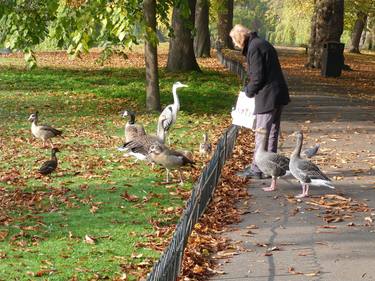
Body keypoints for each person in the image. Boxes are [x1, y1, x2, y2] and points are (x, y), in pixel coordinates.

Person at [229, 24, 290, 179]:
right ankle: (270, 168)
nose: (235, 45)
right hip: (278, 94)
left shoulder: (254, 48)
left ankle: (257, 169)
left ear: (239, 39)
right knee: (272, 133)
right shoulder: (261, 43)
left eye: (235, 42)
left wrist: (248, 92)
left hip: (268, 96)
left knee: (262, 134)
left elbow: (258, 77)